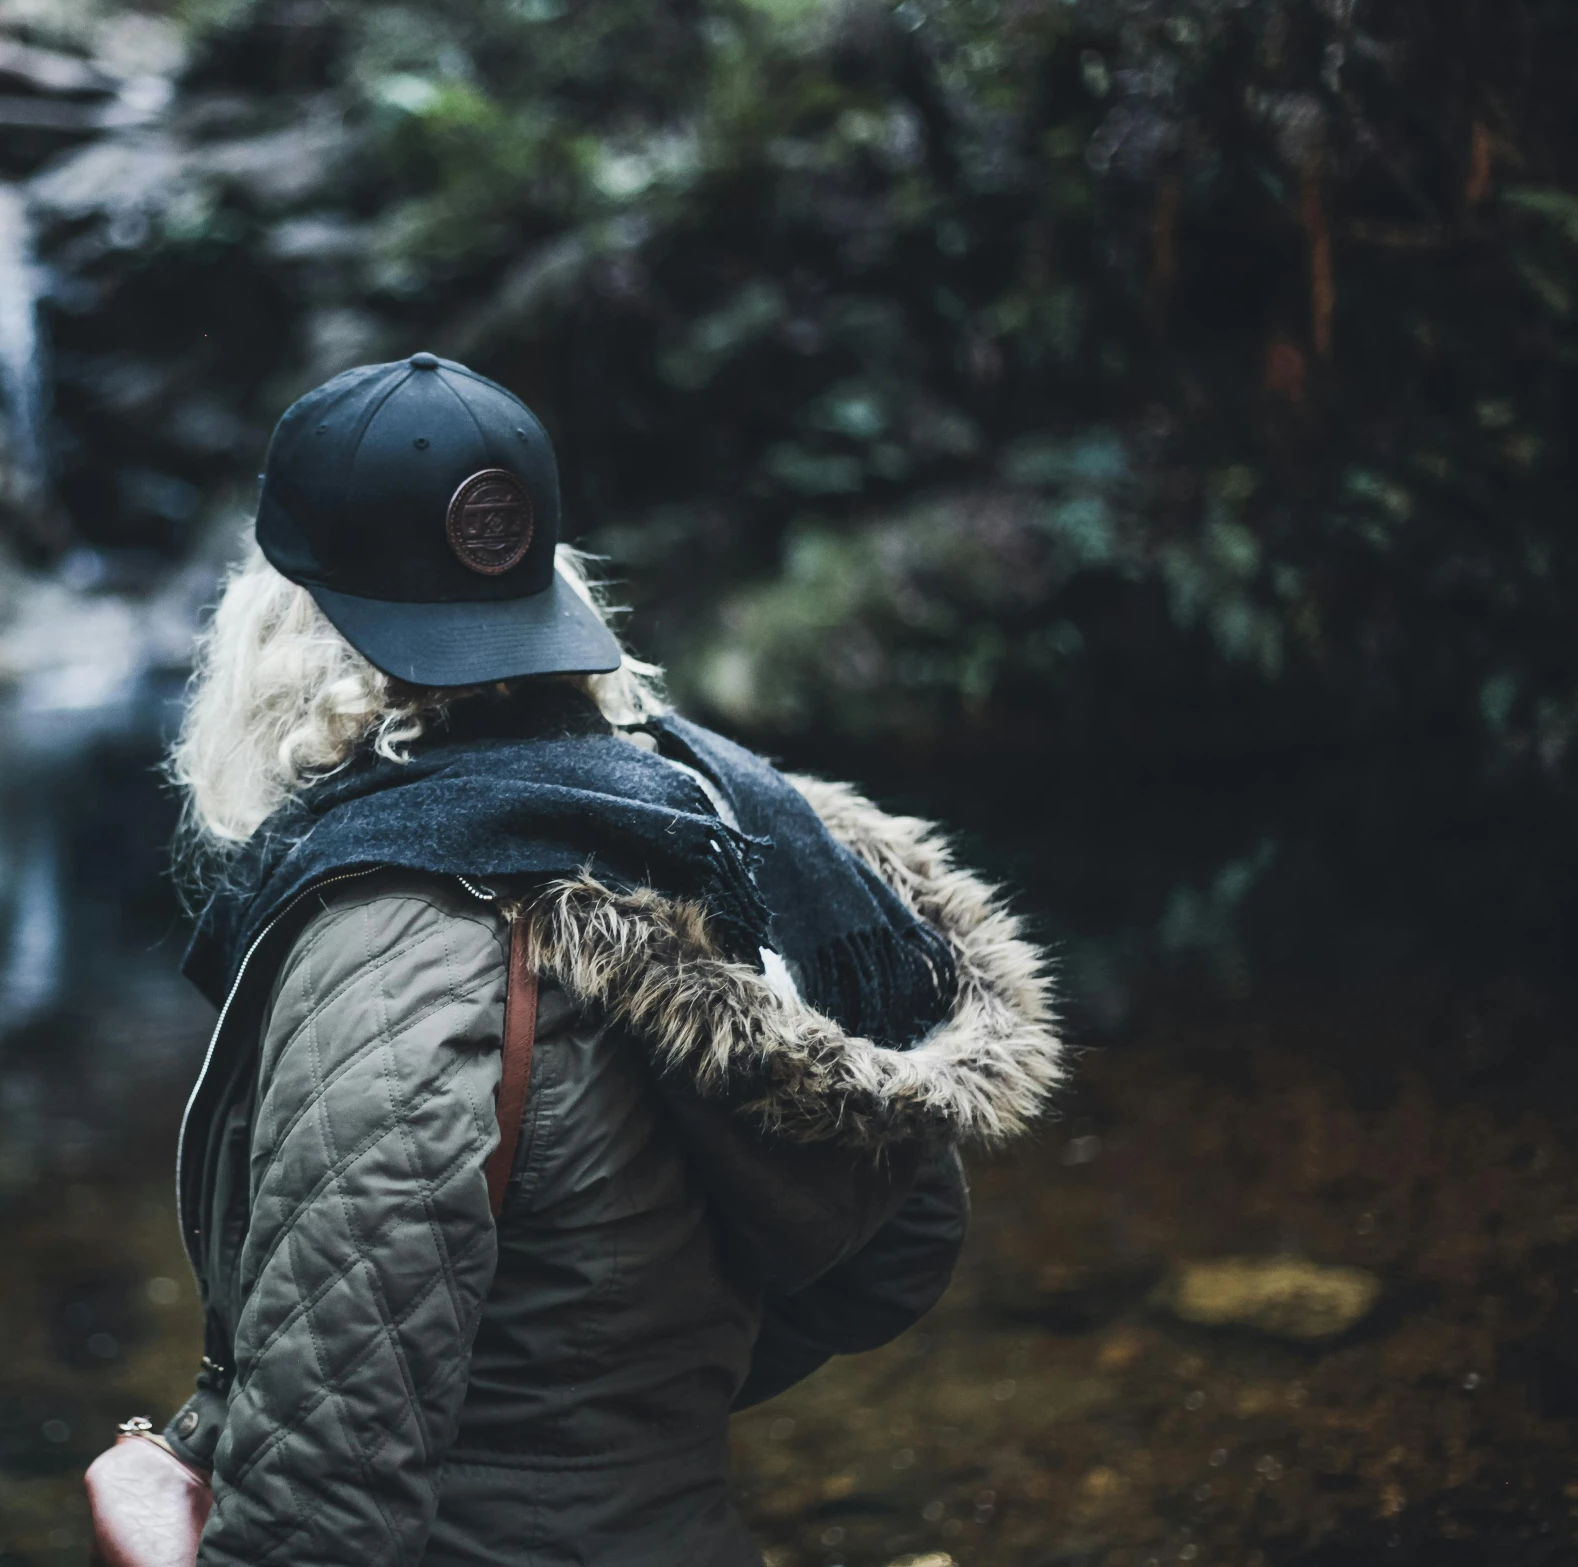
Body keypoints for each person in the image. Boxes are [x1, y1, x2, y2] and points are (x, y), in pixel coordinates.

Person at [153, 352, 1063, 1565]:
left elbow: (320, 1505)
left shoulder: (388, 943)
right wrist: (617, 1416)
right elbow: (888, 1256)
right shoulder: (721, 823)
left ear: (280, 631)